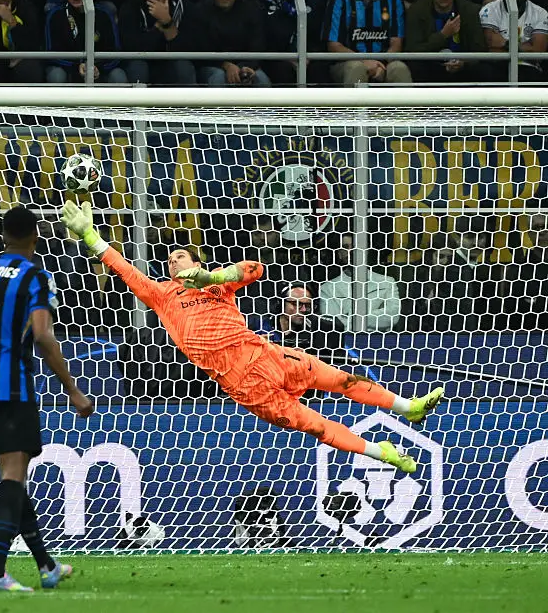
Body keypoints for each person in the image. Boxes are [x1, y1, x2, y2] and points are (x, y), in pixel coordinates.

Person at [60, 200, 442, 475]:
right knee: (316, 426)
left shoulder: (217, 285)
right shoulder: (163, 295)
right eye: (170, 260)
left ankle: (408, 407)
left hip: (265, 353)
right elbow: (124, 269)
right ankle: (381, 452)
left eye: (181, 257)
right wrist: (91, 235)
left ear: (197, 263)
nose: (173, 262)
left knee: (341, 379)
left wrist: (214, 278)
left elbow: (254, 268)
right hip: (242, 384)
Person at [0, 205, 93, 592]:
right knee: (14, 474)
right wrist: (73, 390)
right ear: (35, 237)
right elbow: (44, 336)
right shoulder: (33, 276)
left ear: (2, 235)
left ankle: (46, 566)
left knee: (13, 473)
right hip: (13, 385)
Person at [323, 0, 412, 87]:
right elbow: (334, 46)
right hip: (347, 63)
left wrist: (379, 65)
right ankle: (357, 109)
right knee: (356, 68)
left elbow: (396, 44)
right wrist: (364, 61)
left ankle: (404, 109)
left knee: (399, 69)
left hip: (385, 63)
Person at [405, 0, 491, 83]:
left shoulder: (469, 10)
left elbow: (479, 50)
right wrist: (443, 35)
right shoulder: (417, 10)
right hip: (430, 66)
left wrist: (463, 62)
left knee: (483, 70)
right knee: (416, 68)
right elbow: (412, 52)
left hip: (461, 68)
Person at [118, 0, 197, 85]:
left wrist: (166, 21)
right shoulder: (131, 7)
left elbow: (186, 49)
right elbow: (133, 48)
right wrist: (158, 26)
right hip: (142, 62)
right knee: (138, 66)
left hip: (170, 62)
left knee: (183, 66)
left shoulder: (182, 5)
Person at [44, 0, 126, 84]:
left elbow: (115, 53)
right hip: (67, 69)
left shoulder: (104, 14)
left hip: (99, 69)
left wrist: (97, 67)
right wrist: (76, 66)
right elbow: (51, 53)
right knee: (57, 75)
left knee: (118, 76)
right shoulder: (56, 15)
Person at [197, 0, 272, 87]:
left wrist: (246, 67)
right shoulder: (202, 10)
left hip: (246, 64)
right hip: (213, 65)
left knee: (261, 79)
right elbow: (201, 49)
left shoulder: (251, 9)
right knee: (219, 77)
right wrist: (226, 65)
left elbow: (258, 45)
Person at [318, 232, 402, 331]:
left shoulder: (387, 283)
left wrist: (349, 317)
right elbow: (333, 325)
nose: (351, 251)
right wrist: (373, 316)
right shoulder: (328, 289)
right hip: (346, 344)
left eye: (355, 246)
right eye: (346, 247)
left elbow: (392, 317)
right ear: (339, 254)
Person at [480, 0, 548, 83]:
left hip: (528, 68)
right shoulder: (490, 9)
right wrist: (525, 46)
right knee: (485, 71)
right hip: (498, 66)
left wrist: (506, 44)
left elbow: (538, 52)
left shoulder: (540, 13)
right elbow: (491, 49)